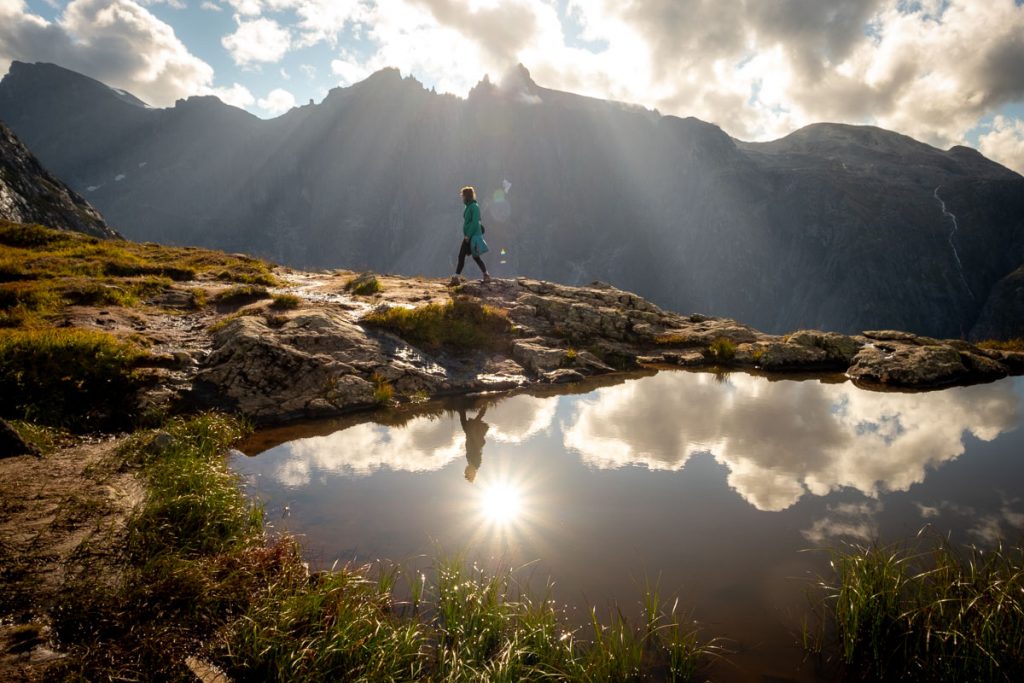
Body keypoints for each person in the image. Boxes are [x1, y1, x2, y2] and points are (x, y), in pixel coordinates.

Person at [451, 186, 490, 284]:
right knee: (474, 257)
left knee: (463, 256)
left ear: (466, 196)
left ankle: (456, 277)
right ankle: (486, 275)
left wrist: (468, 235)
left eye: (463, 196)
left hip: (472, 236)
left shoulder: (474, 207)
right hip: (470, 236)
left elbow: (475, 222)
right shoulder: (469, 206)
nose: (462, 198)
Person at [458, 405, 489, 483]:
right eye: (466, 472)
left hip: (470, 437)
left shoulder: (470, 462)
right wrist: (473, 434)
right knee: (476, 420)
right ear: (471, 472)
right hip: (473, 437)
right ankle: (486, 404)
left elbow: (469, 449)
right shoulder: (476, 463)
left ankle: (461, 406)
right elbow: (477, 449)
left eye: (465, 471)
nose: (465, 470)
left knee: (466, 421)